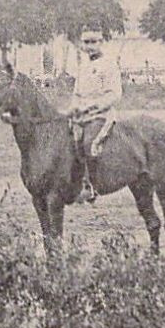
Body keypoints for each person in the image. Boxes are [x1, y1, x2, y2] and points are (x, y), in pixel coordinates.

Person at [68, 29, 122, 203]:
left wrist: (93, 106)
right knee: (66, 141)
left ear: (101, 43)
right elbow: (76, 93)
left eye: (93, 42)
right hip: (80, 116)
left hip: (101, 114)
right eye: (86, 42)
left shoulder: (109, 64)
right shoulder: (82, 67)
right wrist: (75, 107)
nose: (89, 46)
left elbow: (114, 94)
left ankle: (91, 186)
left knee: (89, 142)